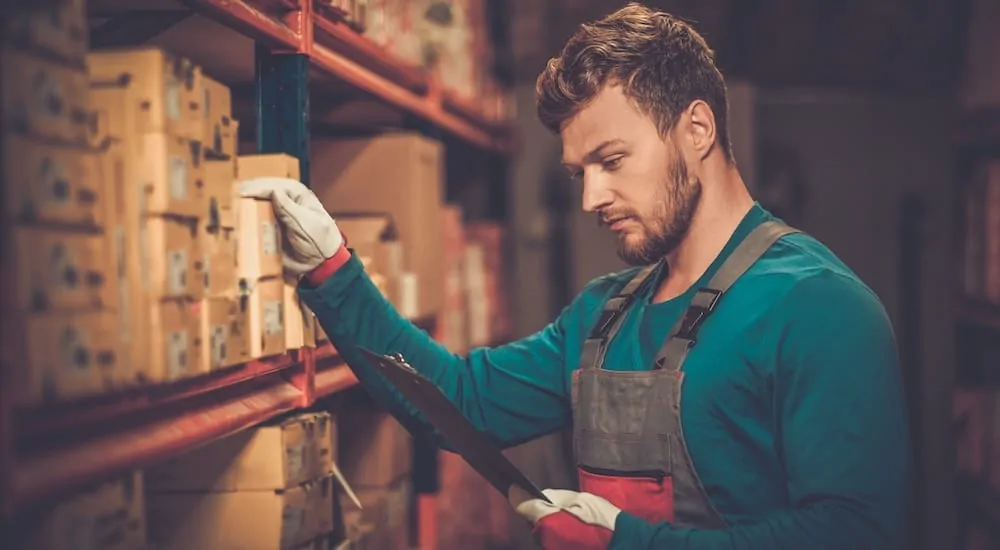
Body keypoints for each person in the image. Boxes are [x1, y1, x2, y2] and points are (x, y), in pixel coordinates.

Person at [240, 3, 910, 549]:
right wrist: (334, 273)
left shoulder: (817, 306)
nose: (591, 198)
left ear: (697, 129)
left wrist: (624, 543)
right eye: (579, 173)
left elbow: (855, 534)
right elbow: (457, 404)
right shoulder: (603, 316)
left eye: (612, 160)